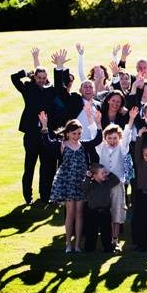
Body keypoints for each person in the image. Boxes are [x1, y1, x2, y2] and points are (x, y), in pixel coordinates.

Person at [41, 108, 103, 253]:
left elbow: (97, 140)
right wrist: (44, 125)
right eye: (74, 133)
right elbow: (47, 142)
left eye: (79, 133)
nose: (76, 136)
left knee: (80, 213)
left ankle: (77, 245)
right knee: (70, 212)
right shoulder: (62, 145)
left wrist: (98, 124)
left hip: (81, 182)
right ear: (67, 133)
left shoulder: (84, 145)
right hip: (68, 182)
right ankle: (68, 244)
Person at [11, 53, 61, 205]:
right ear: (34, 77)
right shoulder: (28, 88)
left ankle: (45, 196)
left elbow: (59, 86)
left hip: (47, 134)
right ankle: (28, 196)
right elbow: (14, 78)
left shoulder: (50, 90)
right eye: (39, 78)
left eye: (43, 78)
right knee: (29, 167)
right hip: (31, 134)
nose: (41, 80)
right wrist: (26, 73)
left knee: (47, 167)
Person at [95, 124, 130, 249]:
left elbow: (126, 136)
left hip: (117, 185)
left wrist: (130, 120)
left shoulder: (122, 147)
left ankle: (115, 239)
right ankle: (107, 238)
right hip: (103, 186)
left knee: (117, 211)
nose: (112, 141)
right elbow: (95, 132)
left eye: (115, 138)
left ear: (119, 138)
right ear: (105, 138)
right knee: (106, 212)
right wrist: (98, 122)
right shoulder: (101, 147)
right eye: (109, 138)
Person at [82, 163, 120, 253]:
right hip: (92, 212)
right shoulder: (90, 185)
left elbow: (117, 181)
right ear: (94, 175)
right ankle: (89, 248)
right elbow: (84, 187)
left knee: (106, 232)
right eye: (102, 173)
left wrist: (109, 173)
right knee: (91, 232)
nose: (104, 174)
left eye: (105, 173)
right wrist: (87, 177)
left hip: (105, 211)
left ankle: (108, 248)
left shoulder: (107, 183)